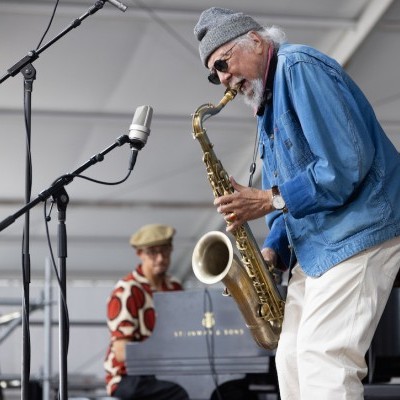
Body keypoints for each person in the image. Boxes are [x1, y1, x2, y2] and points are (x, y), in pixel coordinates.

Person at [193, 7, 400, 400]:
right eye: (213, 73)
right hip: (319, 245)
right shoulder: (265, 104)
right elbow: (285, 196)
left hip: (361, 230)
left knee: (324, 358)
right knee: (290, 360)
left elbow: (345, 165)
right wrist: (273, 249)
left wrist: (268, 199)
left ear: (255, 41)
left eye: (222, 62)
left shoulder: (298, 67)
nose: (221, 79)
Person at [104, 223, 189, 400]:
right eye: (152, 252)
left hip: (164, 373)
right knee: (184, 391)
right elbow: (122, 352)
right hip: (128, 377)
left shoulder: (174, 287)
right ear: (139, 254)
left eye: (165, 250)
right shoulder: (126, 290)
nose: (160, 258)